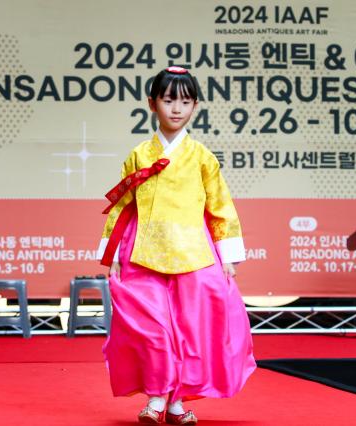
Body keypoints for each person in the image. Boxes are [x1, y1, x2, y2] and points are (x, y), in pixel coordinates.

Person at [97, 66, 256, 425]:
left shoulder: (202, 156)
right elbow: (123, 205)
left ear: (195, 106)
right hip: (143, 252)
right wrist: (113, 251)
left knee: (191, 331)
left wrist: (227, 256)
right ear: (152, 103)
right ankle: (156, 398)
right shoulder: (139, 154)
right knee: (152, 330)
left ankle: (175, 403)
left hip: (194, 254)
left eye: (185, 102)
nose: (176, 109)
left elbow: (220, 205)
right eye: (168, 100)